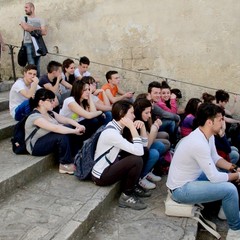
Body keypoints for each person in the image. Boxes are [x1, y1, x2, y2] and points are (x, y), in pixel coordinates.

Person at [166, 102, 240, 240]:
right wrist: (237, 175)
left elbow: (215, 157)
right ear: (209, 122)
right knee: (229, 189)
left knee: (226, 177)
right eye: (220, 119)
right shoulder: (198, 142)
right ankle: (235, 231)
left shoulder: (207, 135)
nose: (223, 122)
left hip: (191, 179)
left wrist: (234, 168)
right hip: (180, 190)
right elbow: (214, 177)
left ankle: (227, 209)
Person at [92, 100, 148, 210]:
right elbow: (139, 151)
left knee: (144, 153)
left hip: (113, 162)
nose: (134, 115)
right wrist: (132, 128)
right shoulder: (112, 133)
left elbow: (143, 148)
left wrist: (142, 128)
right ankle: (126, 196)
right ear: (122, 113)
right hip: (101, 175)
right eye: (131, 113)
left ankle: (134, 185)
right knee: (136, 160)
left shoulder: (119, 127)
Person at [25, 88, 85, 174]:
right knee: (62, 135)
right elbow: (55, 128)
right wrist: (74, 131)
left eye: (53, 100)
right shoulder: (34, 117)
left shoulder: (49, 113)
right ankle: (65, 164)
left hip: (47, 139)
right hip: (35, 146)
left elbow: (65, 119)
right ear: (41, 102)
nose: (54, 102)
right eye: (50, 100)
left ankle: (75, 155)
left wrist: (78, 125)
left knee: (68, 126)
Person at [133, 98, 167, 190]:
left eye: (150, 112)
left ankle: (147, 172)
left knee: (160, 146)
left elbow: (149, 141)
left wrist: (153, 128)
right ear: (139, 112)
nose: (149, 115)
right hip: (135, 154)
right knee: (154, 153)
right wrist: (154, 129)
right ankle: (141, 178)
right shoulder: (136, 123)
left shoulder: (145, 119)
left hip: (143, 150)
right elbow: (146, 147)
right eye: (146, 113)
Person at [19, 2, 47, 77]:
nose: (25, 9)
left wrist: (31, 28)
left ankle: (36, 83)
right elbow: (26, 28)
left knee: (37, 64)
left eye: (26, 7)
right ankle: (31, 82)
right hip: (28, 43)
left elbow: (44, 32)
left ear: (32, 8)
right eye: (24, 8)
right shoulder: (24, 18)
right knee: (31, 64)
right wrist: (38, 29)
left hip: (38, 43)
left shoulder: (40, 19)